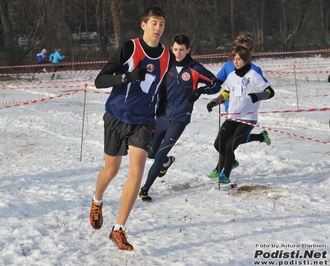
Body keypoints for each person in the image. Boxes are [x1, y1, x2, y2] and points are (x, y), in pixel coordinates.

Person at [89, 6, 174, 251]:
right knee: (111, 170)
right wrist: (126, 77)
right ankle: (97, 201)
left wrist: (162, 111)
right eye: (154, 23)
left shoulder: (167, 55)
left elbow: (162, 85)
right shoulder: (130, 48)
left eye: (162, 24)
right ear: (144, 24)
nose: (158, 28)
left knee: (136, 172)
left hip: (144, 121)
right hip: (117, 116)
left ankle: (119, 229)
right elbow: (99, 80)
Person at [138, 34, 221, 202]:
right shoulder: (165, 65)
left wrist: (200, 91)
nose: (178, 53)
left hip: (180, 118)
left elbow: (216, 84)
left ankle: (145, 189)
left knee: (159, 155)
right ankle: (167, 162)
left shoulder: (195, 68)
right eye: (175, 49)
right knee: (151, 153)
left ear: (188, 50)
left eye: (181, 50)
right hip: (160, 116)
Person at [206, 45, 275, 184]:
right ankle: (231, 162)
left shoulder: (254, 76)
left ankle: (225, 174)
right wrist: (215, 101)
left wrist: (259, 95)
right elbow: (226, 93)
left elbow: (270, 92)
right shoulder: (231, 76)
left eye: (238, 59)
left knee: (230, 145)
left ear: (245, 59)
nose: (235, 62)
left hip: (248, 119)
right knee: (218, 144)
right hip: (232, 117)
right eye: (234, 59)